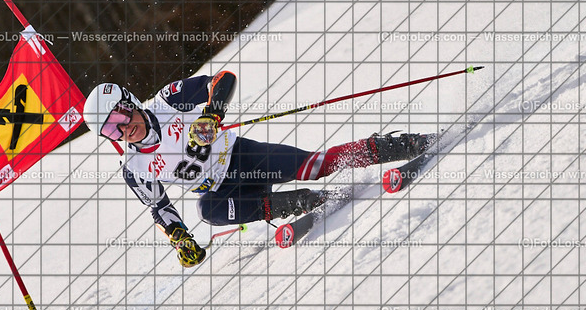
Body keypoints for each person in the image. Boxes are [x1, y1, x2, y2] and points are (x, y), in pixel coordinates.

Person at [83, 71, 434, 267]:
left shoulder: (166, 101)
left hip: (243, 158)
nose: (122, 129)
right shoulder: (133, 167)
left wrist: (211, 114)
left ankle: (403, 145)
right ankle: (304, 202)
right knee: (207, 210)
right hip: (226, 193)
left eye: (119, 117)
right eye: (111, 130)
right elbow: (159, 207)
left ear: (129, 102)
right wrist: (180, 238)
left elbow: (222, 79)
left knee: (316, 165)